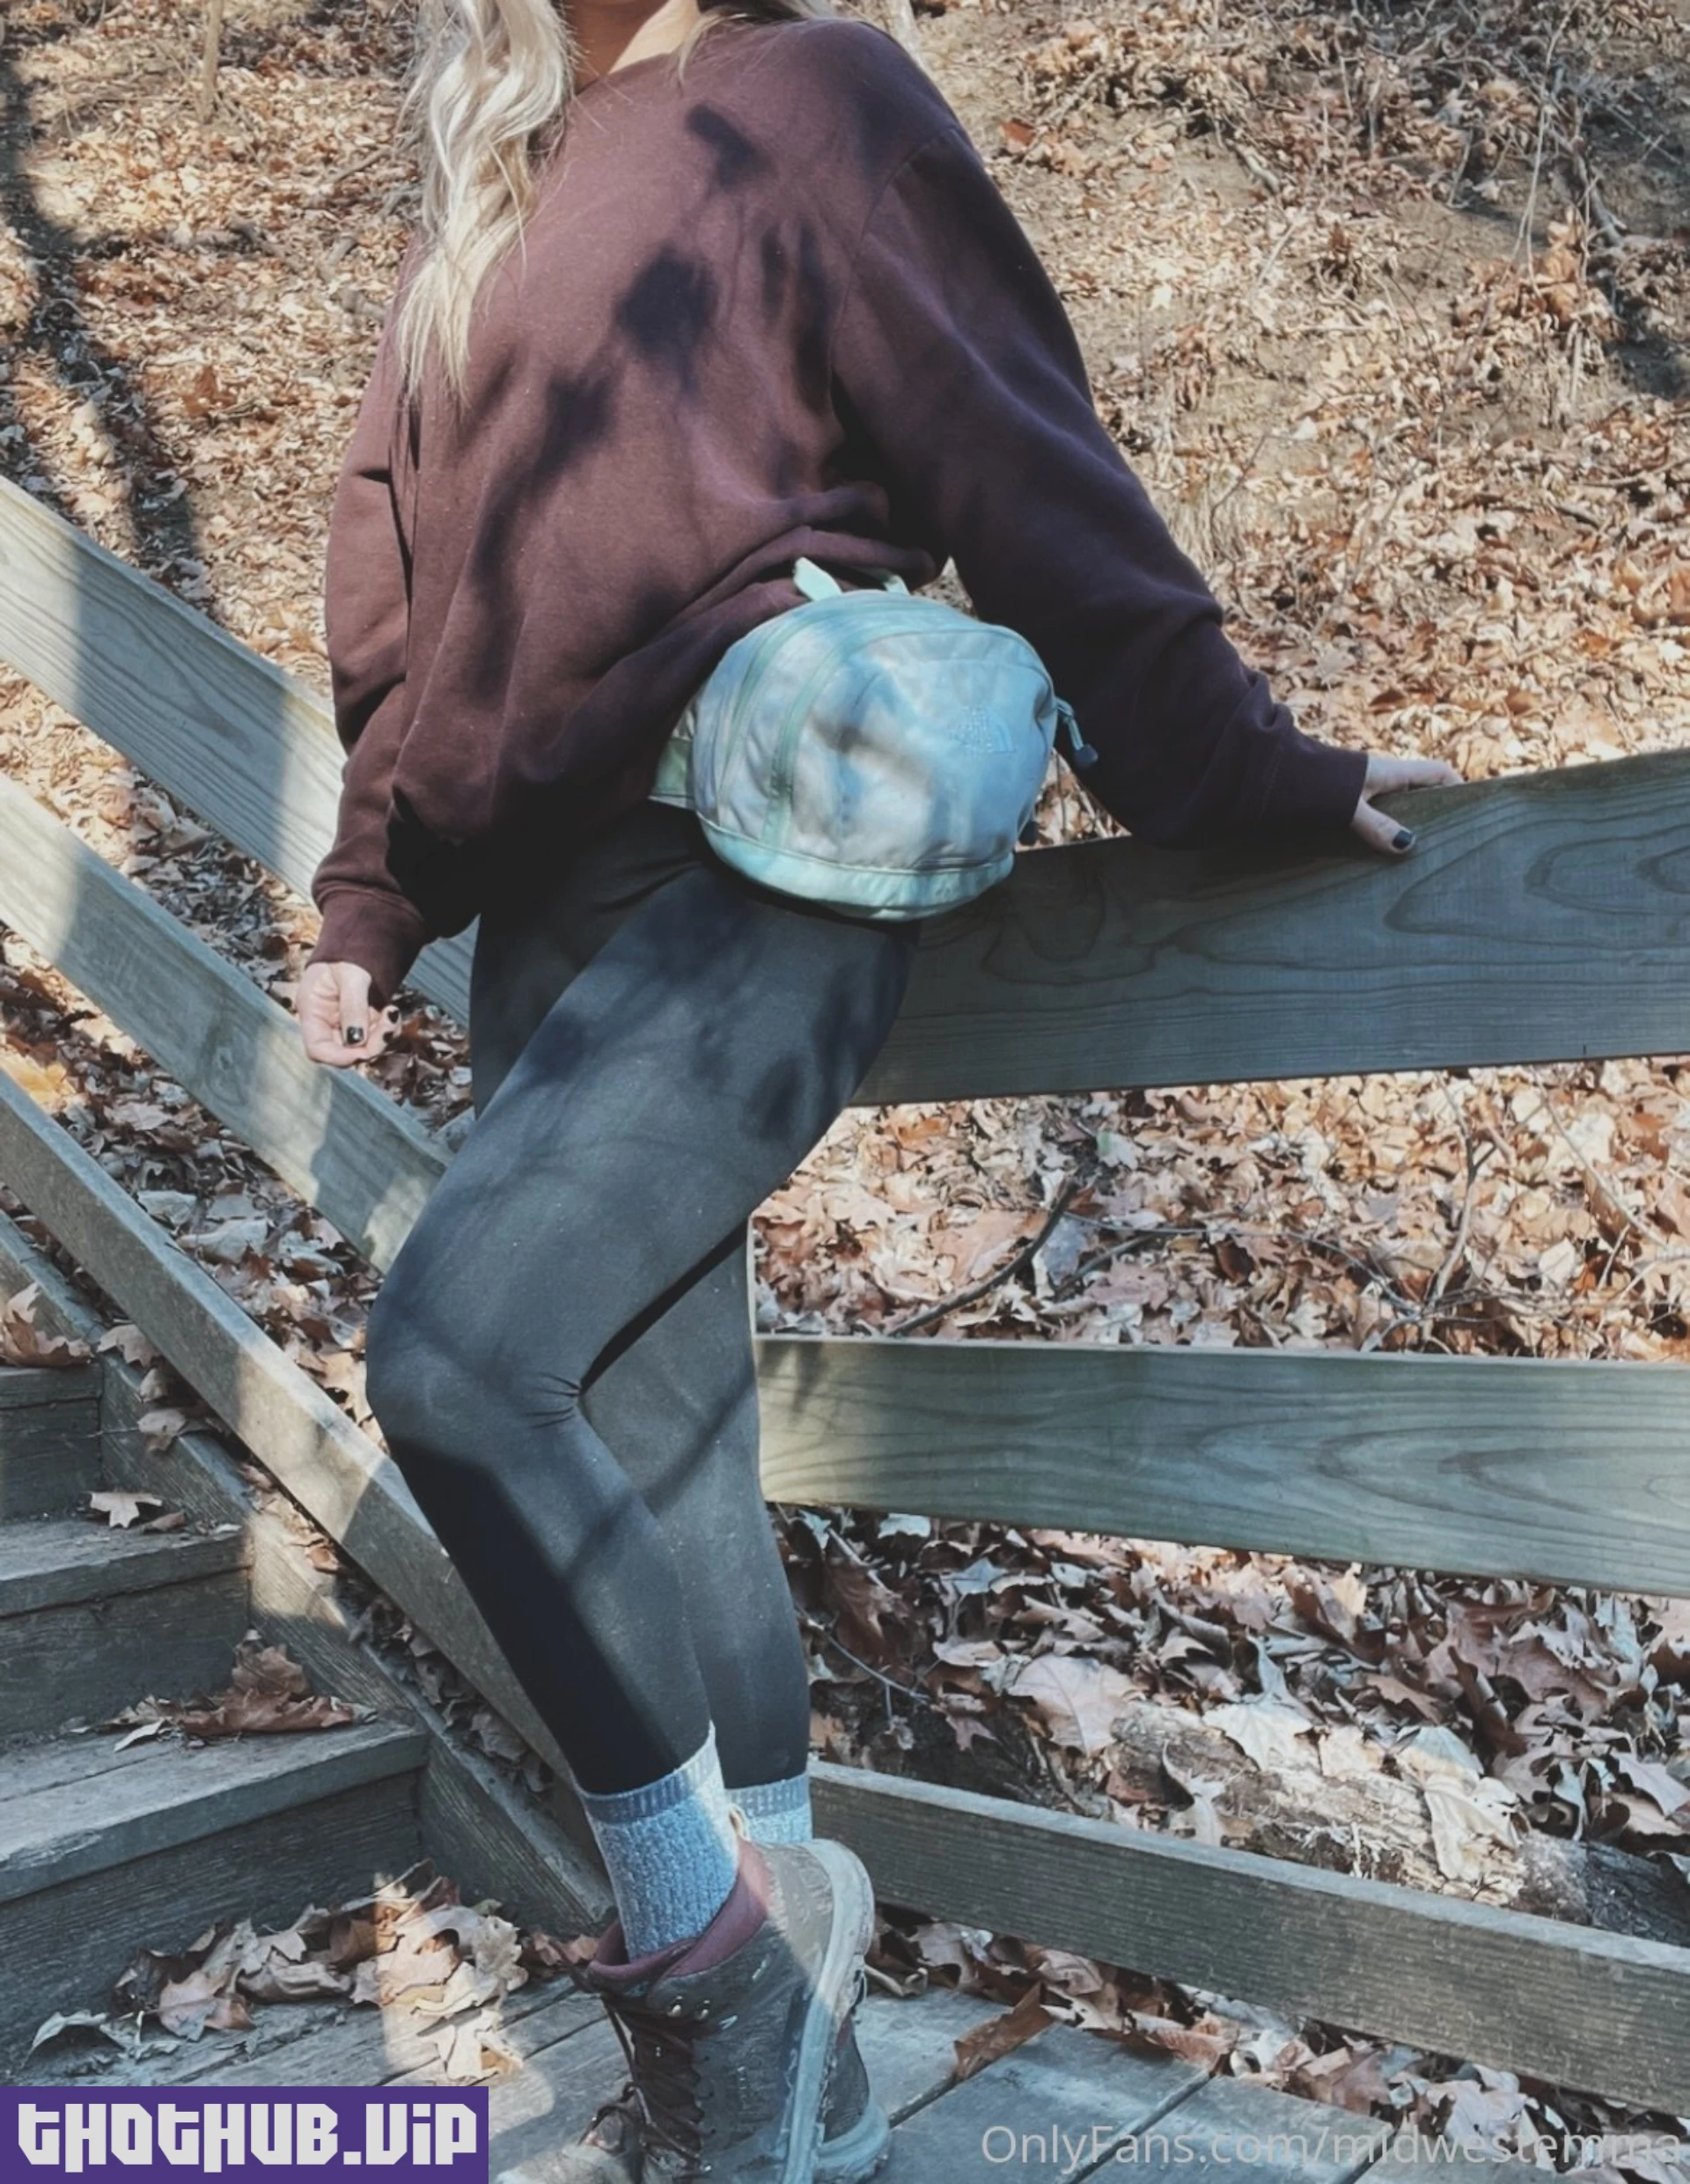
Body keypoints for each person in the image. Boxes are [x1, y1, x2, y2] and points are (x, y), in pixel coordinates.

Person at [294, 0, 1461, 2174]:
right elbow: (405, 604)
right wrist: (372, 902)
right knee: (665, 1451)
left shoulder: (810, 97)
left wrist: (1229, 756)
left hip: (775, 847)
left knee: (456, 1357)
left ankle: (716, 1961)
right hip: (545, 903)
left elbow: (1012, 440)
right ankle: (788, 2085)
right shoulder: (500, 182)